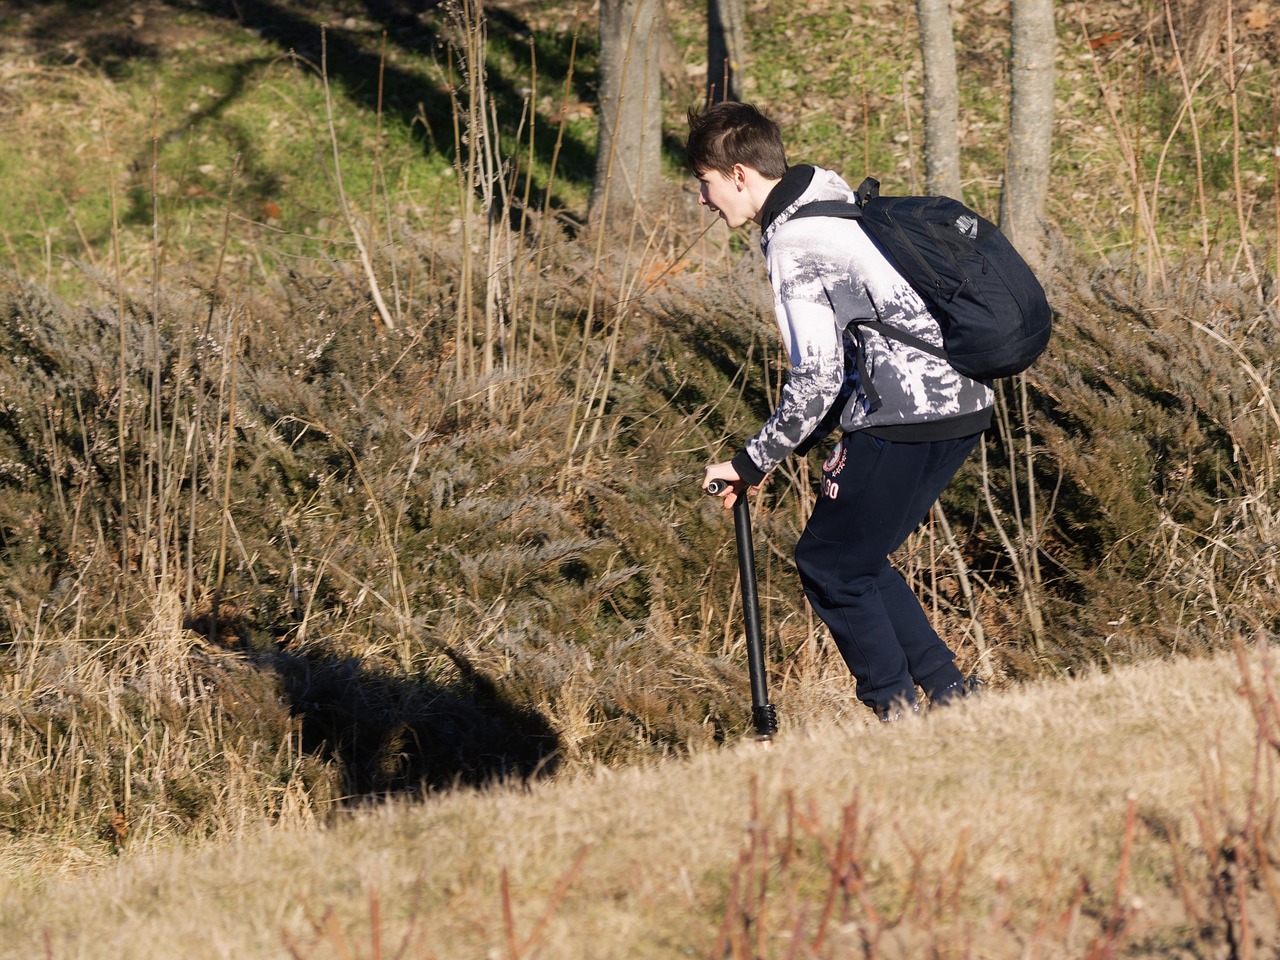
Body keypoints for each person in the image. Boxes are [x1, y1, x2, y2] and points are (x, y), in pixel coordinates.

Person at [686, 101, 992, 721]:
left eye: (706, 183)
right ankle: (955, 702)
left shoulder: (797, 242)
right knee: (854, 558)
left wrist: (751, 461)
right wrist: (784, 450)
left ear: (739, 175)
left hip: (905, 411)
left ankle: (897, 714)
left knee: (827, 564)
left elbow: (818, 376)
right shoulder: (839, 205)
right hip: (963, 400)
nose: (703, 200)